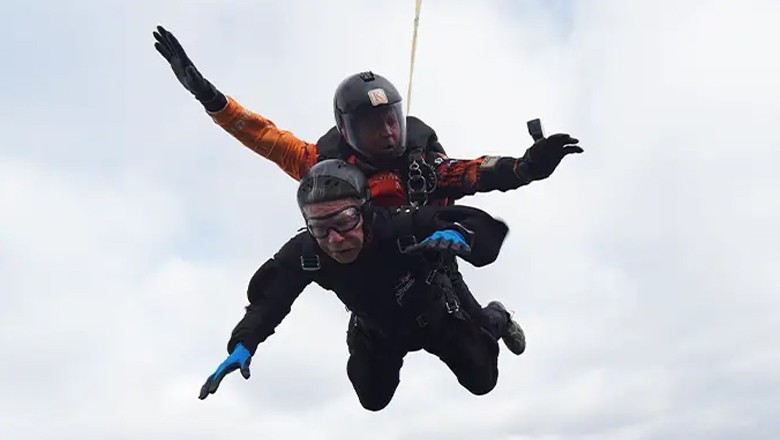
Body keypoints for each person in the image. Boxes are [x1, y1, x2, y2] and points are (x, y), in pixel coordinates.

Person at [198, 159, 526, 411]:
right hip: (379, 330)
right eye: (320, 227)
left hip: (437, 316)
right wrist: (244, 343)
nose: (335, 239)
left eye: (343, 222)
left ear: (365, 211)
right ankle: (363, 333)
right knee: (372, 399)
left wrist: (465, 237)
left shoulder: (401, 226)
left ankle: (497, 316)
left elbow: (481, 227)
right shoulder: (309, 252)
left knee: (483, 381)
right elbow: (270, 299)